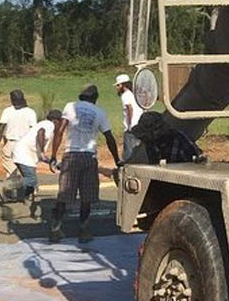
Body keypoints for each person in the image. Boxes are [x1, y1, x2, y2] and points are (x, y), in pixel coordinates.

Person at [49, 85, 120, 244]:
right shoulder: (100, 113)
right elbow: (109, 138)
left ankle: (55, 230)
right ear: (95, 99)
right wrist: (117, 159)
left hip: (71, 155)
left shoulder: (70, 106)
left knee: (64, 194)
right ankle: (84, 230)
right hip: (89, 157)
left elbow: (59, 132)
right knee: (87, 197)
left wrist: (53, 155)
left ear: (81, 97)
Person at [10, 109, 61, 215]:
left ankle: (26, 202)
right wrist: (42, 152)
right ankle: (9, 185)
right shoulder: (49, 124)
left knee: (31, 182)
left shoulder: (45, 125)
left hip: (24, 154)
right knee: (31, 180)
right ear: (56, 121)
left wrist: (52, 163)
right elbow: (41, 133)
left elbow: (41, 156)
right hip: (24, 154)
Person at [0, 90, 37, 198]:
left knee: (11, 170)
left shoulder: (7, 111)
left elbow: (1, 128)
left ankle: (10, 192)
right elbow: (33, 130)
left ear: (11, 100)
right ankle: (29, 193)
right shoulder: (30, 112)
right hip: (26, 145)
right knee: (28, 170)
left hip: (11, 143)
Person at [115, 73, 143, 161]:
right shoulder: (134, 94)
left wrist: (130, 124)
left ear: (123, 85)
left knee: (129, 151)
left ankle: (126, 170)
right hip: (140, 124)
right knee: (138, 148)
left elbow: (129, 108)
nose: (117, 87)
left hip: (132, 126)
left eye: (118, 85)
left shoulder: (125, 95)